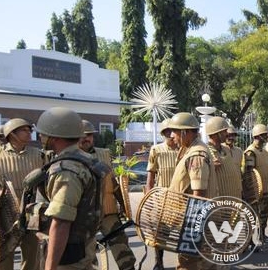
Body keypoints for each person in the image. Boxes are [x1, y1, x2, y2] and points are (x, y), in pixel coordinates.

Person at [35, 107, 102, 269]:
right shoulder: (87, 160)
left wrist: (50, 266)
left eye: (43, 133)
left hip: (67, 256)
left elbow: (61, 222)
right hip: (82, 247)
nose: (40, 136)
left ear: (55, 135)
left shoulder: (66, 170)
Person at [79, 120, 136, 270]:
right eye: (82, 136)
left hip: (108, 212)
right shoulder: (70, 157)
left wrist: (124, 206)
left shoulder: (104, 153)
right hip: (83, 216)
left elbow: (113, 182)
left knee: (123, 251)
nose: (87, 138)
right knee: (86, 255)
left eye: (89, 135)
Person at [0, 118, 46, 270]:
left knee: (32, 255)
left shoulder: (39, 155)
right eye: (24, 130)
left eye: (30, 130)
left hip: (32, 211)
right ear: (12, 134)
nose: (29, 133)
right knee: (3, 257)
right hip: (5, 212)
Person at [167, 112, 218, 269]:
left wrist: (191, 233)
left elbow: (199, 194)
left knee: (189, 264)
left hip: (194, 221)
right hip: (195, 221)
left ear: (185, 132)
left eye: (175, 131)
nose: (171, 136)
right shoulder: (191, 149)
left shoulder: (197, 154)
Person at [145, 118, 178, 270]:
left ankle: (183, 262)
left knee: (181, 233)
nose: (172, 134)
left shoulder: (183, 150)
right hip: (162, 199)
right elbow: (150, 177)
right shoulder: (156, 150)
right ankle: (159, 262)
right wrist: (149, 200)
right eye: (168, 132)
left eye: (174, 131)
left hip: (180, 198)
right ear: (164, 133)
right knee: (160, 234)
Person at [243, 124, 268, 247]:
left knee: (264, 214)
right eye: (264, 135)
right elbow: (249, 173)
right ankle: (249, 241)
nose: (266, 137)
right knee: (252, 216)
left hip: (266, 188)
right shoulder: (251, 152)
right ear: (257, 136)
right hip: (255, 191)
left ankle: (262, 235)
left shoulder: (264, 151)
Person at [206, 116, 242, 198]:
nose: (227, 134)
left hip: (233, 197)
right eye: (225, 131)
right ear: (217, 133)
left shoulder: (226, 150)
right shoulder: (206, 152)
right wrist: (210, 167)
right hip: (219, 201)